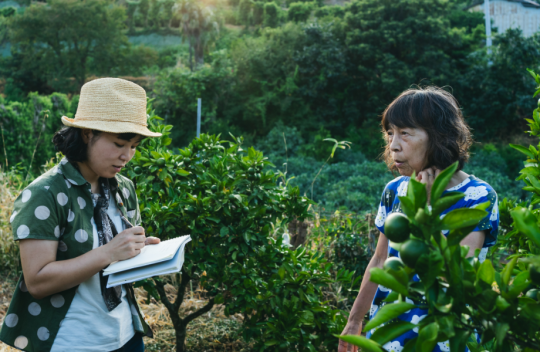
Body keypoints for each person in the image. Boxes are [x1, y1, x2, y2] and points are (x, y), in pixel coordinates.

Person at [0, 78, 164, 352]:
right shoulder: (45, 194)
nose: (127, 156)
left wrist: (140, 253)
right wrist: (109, 253)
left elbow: (117, 265)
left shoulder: (123, 188)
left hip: (126, 335)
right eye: (118, 143)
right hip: (73, 341)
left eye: (134, 146)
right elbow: (38, 281)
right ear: (87, 133)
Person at [338, 87, 499, 352]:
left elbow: (456, 274)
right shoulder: (395, 190)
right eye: (390, 133)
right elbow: (380, 261)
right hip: (390, 330)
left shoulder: (478, 196)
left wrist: (426, 205)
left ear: (438, 136)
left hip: (445, 333)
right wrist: (354, 321)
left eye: (405, 133)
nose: (393, 145)